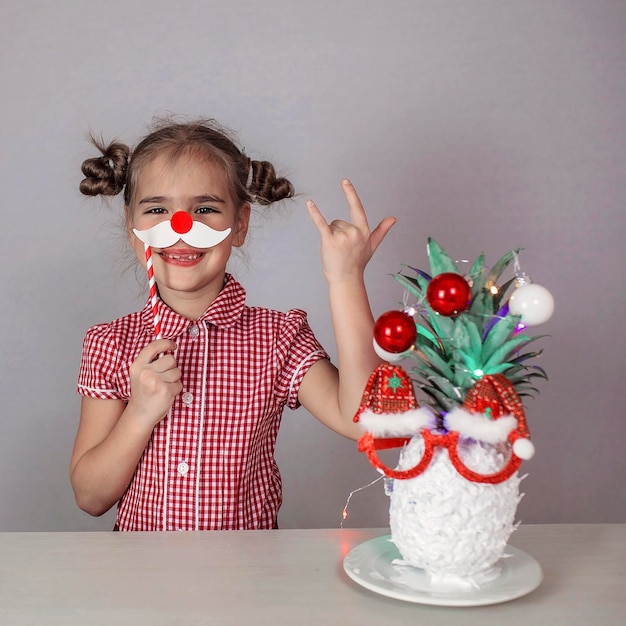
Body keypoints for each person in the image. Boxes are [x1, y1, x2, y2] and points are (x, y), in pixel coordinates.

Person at [70, 117, 396, 531]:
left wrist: (346, 279)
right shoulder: (109, 344)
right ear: (132, 228)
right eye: (157, 209)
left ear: (239, 224)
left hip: (249, 583)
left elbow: (363, 421)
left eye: (204, 208)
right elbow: (90, 497)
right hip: (140, 582)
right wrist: (140, 413)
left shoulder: (279, 337)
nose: (181, 227)